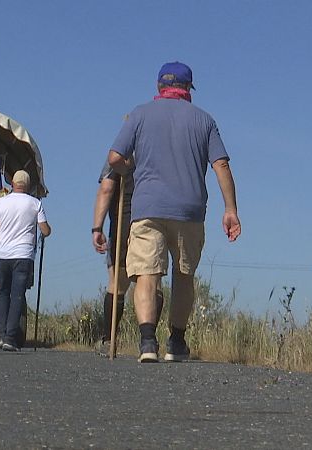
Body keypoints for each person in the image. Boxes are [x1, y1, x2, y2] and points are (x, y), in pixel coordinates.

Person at [108, 62, 241, 362]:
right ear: (188, 89)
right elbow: (221, 164)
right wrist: (230, 209)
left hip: (147, 206)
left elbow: (115, 157)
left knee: (146, 274)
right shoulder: (205, 120)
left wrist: (129, 169)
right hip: (189, 209)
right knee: (184, 276)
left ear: (159, 86)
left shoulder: (139, 115)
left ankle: (146, 343)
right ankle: (176, 343)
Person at [91, 161, 163, 357]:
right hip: (153, 220)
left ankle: (109, 340)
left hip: (124, 221)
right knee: (152, 282)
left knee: (117, 284)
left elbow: (106, 188)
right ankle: (148, 340)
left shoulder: (121, 154)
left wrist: (97, 227)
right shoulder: (156, 151)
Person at [0, 170, 51, 351]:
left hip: (3, 255)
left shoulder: (1, 202)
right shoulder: (35, 203)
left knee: (2, 293)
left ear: (13, 184)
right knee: (17, 295)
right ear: (27, 185)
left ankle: (1, 336)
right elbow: (45, 230)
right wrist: (47, 228)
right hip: (23, 255)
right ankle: (11, 338)